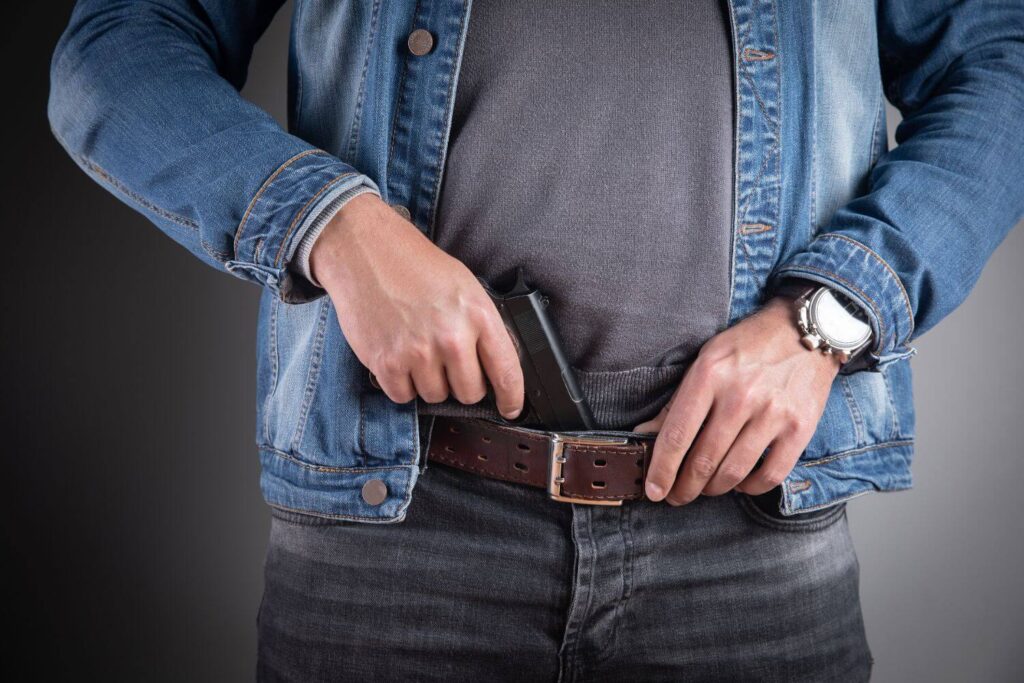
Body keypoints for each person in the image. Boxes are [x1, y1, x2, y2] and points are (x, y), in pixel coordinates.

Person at [48, 0, 1023, 680]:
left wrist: (831, 315)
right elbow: (116, 46)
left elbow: (1002, 62)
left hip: (746, 540)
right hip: (401, 533)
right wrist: (331, 226)